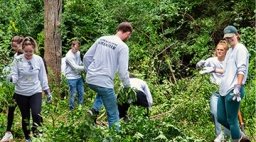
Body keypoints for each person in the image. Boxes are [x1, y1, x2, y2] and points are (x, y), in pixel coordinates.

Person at [83, 22, 133, 130]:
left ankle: (94, 110)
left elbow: (86, 57)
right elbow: (123, 71)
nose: (128, 38)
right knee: (113, 114)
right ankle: (115, 137)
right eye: (129, 36)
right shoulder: (123, 47)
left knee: (103, 92)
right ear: (127, 33)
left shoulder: (102, 39)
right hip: (104, 82)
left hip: (91, 80)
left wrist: (90, 73)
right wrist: (127, 87)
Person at [8, 36, 52, 142]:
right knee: (25, 117)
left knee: (37, 114)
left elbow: (42, 77)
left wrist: (47, 91)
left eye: (30, 51)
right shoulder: (17, 60)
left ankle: (37, 137)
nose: (28, 54)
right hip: (21, 92)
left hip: (35, 91)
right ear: (23, 49)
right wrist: (10, 78)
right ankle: (28, 138)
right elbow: (15, 76)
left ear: (34, 49)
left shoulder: (38, 59)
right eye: (26, 51)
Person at [217, 25, 250, 142]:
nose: (229, 40)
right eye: (227, 38)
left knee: (232, 120)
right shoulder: (230, 50)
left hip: (234, 89)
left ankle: (237, 139)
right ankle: (242, 137)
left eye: (231, 37)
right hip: (224, 89)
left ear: (237, 35)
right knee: (221, 117)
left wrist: (238, 86)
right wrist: (210, 68)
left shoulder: (240, 48)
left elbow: (242, 69)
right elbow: (225, 70)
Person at [197, 40, 230, 142]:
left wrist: (214, 69)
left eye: (221, 50)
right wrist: (200, 63)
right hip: (215, 90)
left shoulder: (229, 60)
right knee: (215, 112)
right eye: (218, 50)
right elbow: (201, 66)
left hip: (228, 90)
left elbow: (227, 71)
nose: (219, 51)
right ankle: (220, 136)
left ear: (226, 51)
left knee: (228, 115)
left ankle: (230, 134)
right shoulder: (212, 60)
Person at [1, 36, 24, 142]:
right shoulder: (15, 56)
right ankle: (8, 133)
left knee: (27, 111)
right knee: (11, 109)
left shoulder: (26, 55)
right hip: (16, 89)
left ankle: (34, 133)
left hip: (26, 89)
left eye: (16, 46)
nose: (15, 48)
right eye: (13, 46)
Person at [65, 40, 85, 110]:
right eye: (75, 49)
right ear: (72, 46)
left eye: (78, 49)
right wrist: (86, 68)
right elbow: (75, 67)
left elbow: (79, 63)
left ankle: (80, 107)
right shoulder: (68, 56)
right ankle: (71, 109)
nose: (76, 50)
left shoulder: (78, 53)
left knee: (81, 92)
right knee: (73, 94)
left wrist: (84, 64)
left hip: (78, 76)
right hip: (71, 77)